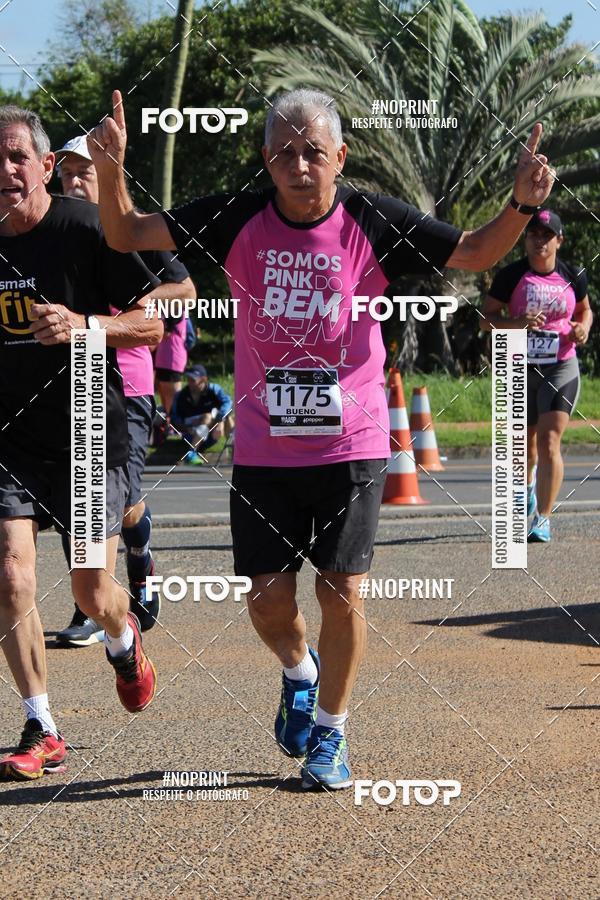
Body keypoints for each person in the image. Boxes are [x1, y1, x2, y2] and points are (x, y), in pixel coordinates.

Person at [89, 88, 555, 790]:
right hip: (266, 450)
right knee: (268, 600)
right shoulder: (236, 216)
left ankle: (331, 735)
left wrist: (519, 203)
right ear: (266, 159)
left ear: (339, 156)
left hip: (354, 444)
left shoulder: (371, 218)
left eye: (313, 151)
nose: (299, 164)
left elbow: (474, 251)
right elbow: (125, 233)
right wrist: (111, 166)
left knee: (342, 592)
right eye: (283, 152)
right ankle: (298, 673)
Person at [0, 106, 163, 780]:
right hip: (10, 438)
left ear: (44, 166)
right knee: (10, 574)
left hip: (88, 429)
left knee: (94, 593)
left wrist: (83, 324)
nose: (4, 171)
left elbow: (150, 325)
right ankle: (42, 724)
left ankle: (125, 644)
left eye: (16, 157)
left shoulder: (86, 228)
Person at [52, 134, 197, 645]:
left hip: (127, 384)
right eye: (67, 172)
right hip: (66, 385)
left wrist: (128, 306)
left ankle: (135, 557)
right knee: (81, 498)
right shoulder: (52, 230)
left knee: (120, 500)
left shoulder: (128, 229)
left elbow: (185, 289)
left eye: (84, 171)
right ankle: (94, 599)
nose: (73, 180)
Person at [482, 209, 592, 542]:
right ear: (525, 239)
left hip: (561, 365)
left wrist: (582, 329)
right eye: (533, 234)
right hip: (518, 365)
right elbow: (485, 319)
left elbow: (585, 310)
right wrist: (516, 323)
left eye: (546, 235)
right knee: (524, 447)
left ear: (559, 240)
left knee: (548, 440)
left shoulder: (574, 274)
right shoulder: (511, 276)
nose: (539, 241)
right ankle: (528, 485)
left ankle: (542, 518)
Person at [170, 365, 234, 465]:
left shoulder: (214, 390)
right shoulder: (180, 395)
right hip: (189, 432)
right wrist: (186, 428)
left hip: (211, 431)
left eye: (193, 380)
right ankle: (191, 453)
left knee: (229, 417)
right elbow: (174, 418)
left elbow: (228, 403)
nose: (190, 382)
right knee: (208, 416)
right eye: (188, 379)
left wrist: (220, 420)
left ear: (204, 379)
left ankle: (235, 453)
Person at [155, 314, 188, 415]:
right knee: (165, 401)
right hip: (163, 359)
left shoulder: (175, 308)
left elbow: (165, 333)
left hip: (172, 360)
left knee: (173, 401)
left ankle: (175, 427)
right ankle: (168, 425)